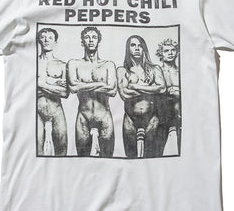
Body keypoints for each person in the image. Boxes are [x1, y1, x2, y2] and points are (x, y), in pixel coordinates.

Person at [67, 27, 117, 157]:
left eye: (94, 37)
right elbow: (73, 88)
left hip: (104, 116)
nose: (90, 40)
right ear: (82, 42)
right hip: (84, 116)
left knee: (108, 159)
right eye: (87, 37)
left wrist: (81, 85)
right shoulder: (74, 64)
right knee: (82, 159)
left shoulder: (108, 65)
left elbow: (112, 90)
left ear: (99, 42)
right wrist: (101, 84)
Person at [117, 35, 166, 158]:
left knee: (152, 158)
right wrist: (151, 88)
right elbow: (124, 94)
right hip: (130, 119)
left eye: (140, 45)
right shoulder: (122, 70)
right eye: (133, 45)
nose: (137, 48)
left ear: (144, 48)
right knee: (131, 158)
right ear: (128, 49)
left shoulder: (155, 69)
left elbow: (162, 88)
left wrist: (135, 86)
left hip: (152, 118)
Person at [37, 28, 69, 156]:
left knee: (62, 149)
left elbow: (65, 93)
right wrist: (54, 83)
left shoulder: (61, 65)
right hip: (37, 110)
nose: (46, 40)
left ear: (55, 42)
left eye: (50, 38)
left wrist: (42, 84)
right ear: (39, 40)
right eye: (43, 37)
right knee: (37, 149)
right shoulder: (34, 62)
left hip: (56, 110)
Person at [155, 38, 181, 155]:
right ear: (161, 53)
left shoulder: (181, 71)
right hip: (162, 113)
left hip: (179, 111)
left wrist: (176, 91)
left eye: (173, 50)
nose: (170, 53)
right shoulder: (157, 71)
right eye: (166, 51)